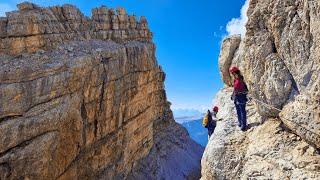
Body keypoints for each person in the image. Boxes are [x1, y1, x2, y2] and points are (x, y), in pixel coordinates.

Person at [229, 66, 248, 131]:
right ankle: (240, 122)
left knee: (242, 111)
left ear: (235, 72)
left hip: (241, 96)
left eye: (232, 73)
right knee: (238, 111)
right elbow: (235, 89)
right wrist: (233, 95)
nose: (232, 74)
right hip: (236, 97)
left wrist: (242, 92)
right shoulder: (235, 80)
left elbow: (246, 89)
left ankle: (244, 125)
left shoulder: (241, 79)